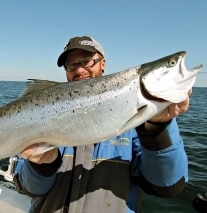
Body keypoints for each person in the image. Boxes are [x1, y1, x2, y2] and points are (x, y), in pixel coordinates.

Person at [13, 36, 190, 213]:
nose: (80, 70)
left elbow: (166, 185)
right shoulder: (39, 118)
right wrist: (41, 165)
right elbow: (30, 189)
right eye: (72, 65)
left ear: (102, 63)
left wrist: (157, 129)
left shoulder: (138, 124)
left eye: (87, 61)